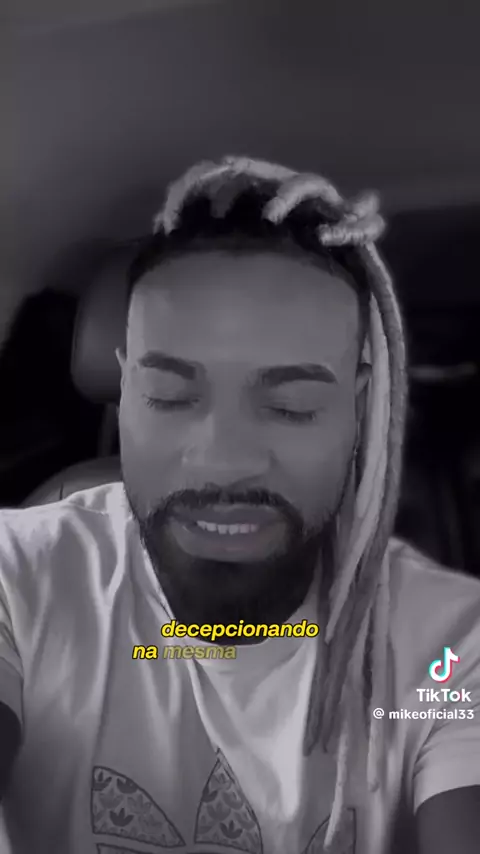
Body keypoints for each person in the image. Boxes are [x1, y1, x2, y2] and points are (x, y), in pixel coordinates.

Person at [0, 155, 478, 854]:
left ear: (359, 409)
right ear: (125, 391)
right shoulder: (16, 578)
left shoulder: (449, 649)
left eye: (292, 406)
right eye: (169, 397)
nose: (222, 461)